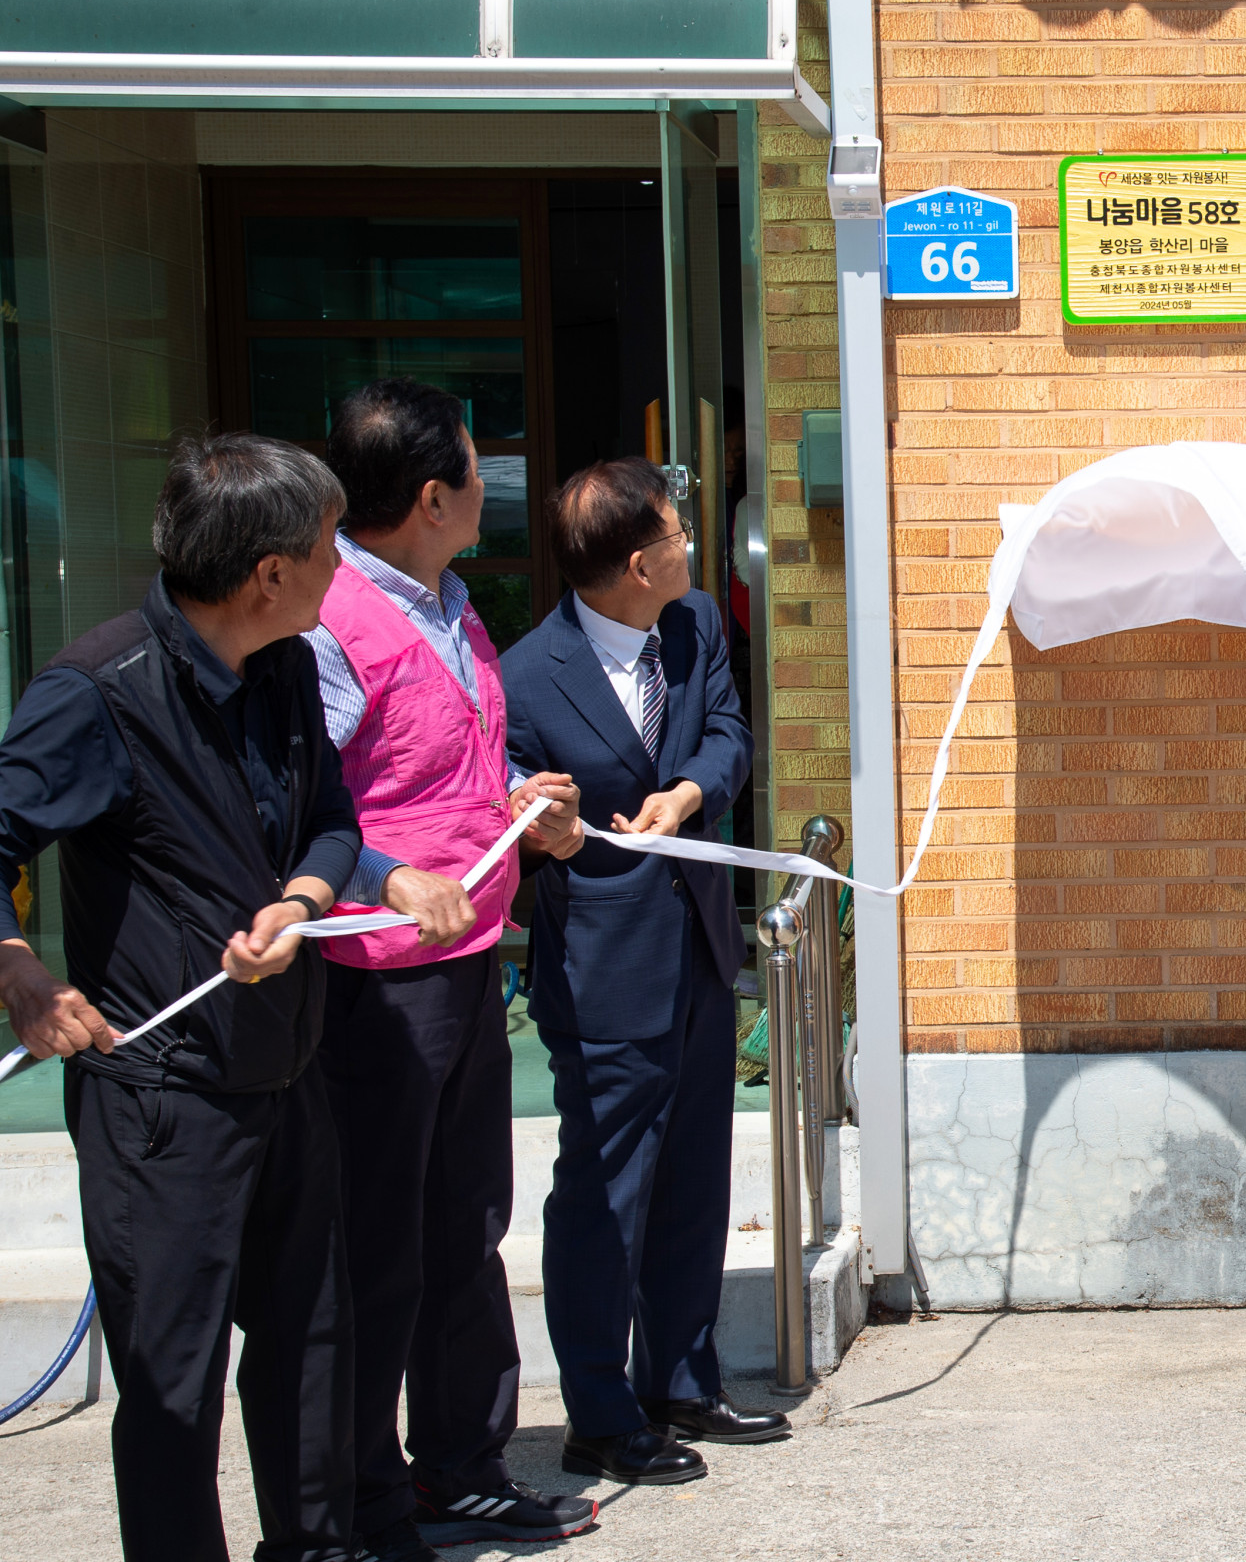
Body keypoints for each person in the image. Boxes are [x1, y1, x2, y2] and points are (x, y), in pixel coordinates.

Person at [0, 435, 362, 1561]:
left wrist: (300, 900)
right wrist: (22, 975)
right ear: (269, 572)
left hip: (286, 1067)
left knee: (312, 1344)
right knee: (174, 1381)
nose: (338, 566)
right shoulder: (96, 691)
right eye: (328, 546)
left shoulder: (290, 662)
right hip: (162, 1100)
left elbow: (334, 818)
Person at [306, 379, 594, 1559]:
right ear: (434, 498)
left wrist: (523, 807)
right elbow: (297, 808)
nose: (491, 485)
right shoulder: (326, 623)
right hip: (379, 975)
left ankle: (463, 1462)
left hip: (470, 955)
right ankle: (368, 1495)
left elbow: (447, 766)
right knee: (381, 1237)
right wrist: (383, 873)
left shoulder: (453, 604)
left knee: (466, 1220)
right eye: (479, 470)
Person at [500, 457, 773, 1485]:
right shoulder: (528, 676)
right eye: (674, 533)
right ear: (631, 563)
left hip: (700, 946)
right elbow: (511, 824)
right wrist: (546, 830)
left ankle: (684, 1380)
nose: (689, 547)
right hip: (605, 958)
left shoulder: (696, 621)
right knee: (608, 1190)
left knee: (697, 1176)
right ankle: (600, 1410)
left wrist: (691, 792)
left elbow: (728, 735)